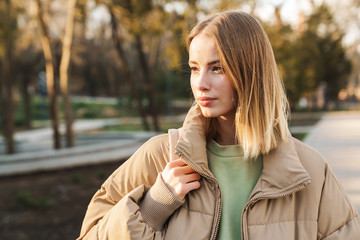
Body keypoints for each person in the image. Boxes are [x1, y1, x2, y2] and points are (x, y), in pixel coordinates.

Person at [78, 10, 360, 239]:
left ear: (251, 71)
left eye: (217, 68)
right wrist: (153, 207)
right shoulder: (161, 156)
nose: (200, 84)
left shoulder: (309, 172)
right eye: (194, 68)